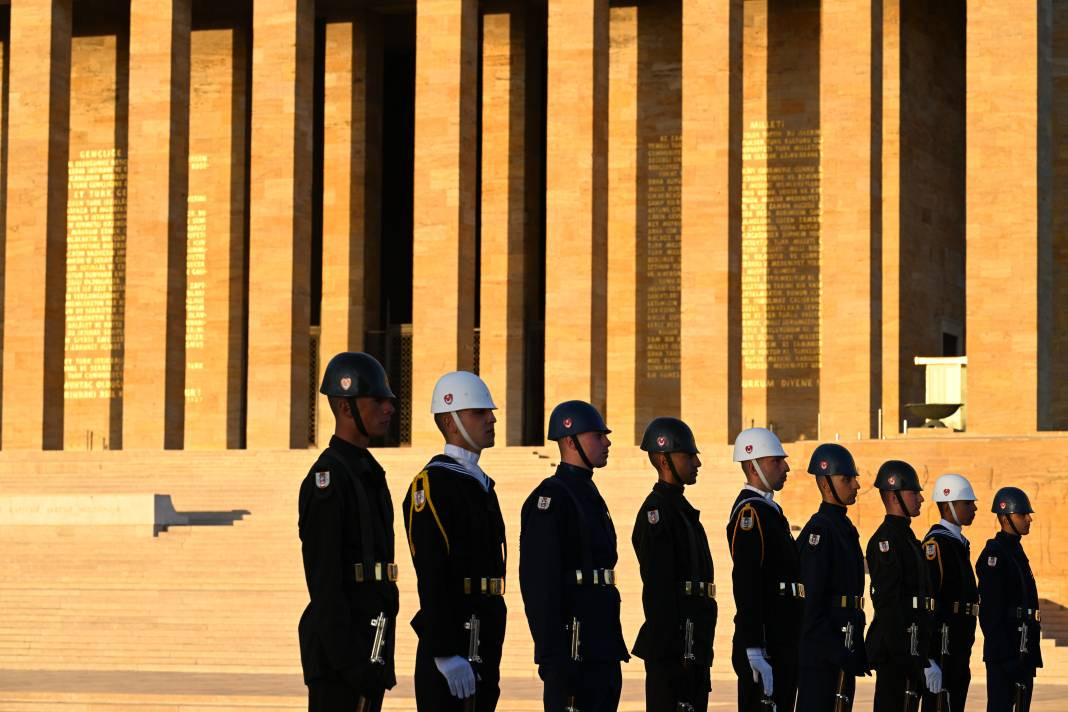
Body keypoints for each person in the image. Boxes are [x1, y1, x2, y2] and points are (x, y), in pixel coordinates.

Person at [298, 352, 399, 712]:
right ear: (345, 407)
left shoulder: (368, 472)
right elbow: (324, 582)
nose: (389, 407)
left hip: (371, 643)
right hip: (341, 659)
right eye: (377, 400)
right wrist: (352, 664)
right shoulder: (328, 480)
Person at [402, 371, 507, 711]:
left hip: (484, 633)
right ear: (450, 421)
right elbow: (432, 573)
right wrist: (444, 652)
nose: (491, 419)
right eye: (479, 412)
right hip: (455, 642)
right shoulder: (433, 486)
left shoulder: (479, 484)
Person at [519, 400, 629, 712]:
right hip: (573, 651)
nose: (607, 442)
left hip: (601, 646)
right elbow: (540, 583)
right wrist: (552, 658)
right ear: (570, 441)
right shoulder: (552, 498)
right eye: (597, 435)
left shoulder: (589, 493)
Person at [631, 417, 716, 712]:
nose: (697, 463)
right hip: (674, 648)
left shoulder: (681, 510)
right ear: (664, 459)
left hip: (694, 642)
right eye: (688, 456)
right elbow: (658, 590)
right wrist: (674, 651)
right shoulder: (657, 512)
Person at [727, 427, 802, 712]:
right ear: (752, 466)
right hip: (766, 641)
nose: (786, 467)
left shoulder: (769, 512)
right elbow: (746, 582)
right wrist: (753, 646)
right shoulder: (750, 513)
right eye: (776, 461)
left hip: (782, 639)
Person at [796, 443, 868, 712]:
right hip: (822, 653)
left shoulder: (843, 528)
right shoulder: (820, 532)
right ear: (826, 485)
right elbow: (811, 604)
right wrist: (835, 650)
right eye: (846, 479)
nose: (856, 485)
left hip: (842, 644)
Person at [865, 460, 939, 712]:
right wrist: (906, 655)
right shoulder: (886, 540)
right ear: (894, 496)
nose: (920, 498)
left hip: (912, 647)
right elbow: (888, 604)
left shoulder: (908, 539)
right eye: (914, 493)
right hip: (896, 652)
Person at [976, 487, 1042, 712]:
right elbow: (990, 612)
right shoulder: (995, 554)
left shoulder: (1015, 551)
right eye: (1022, 514)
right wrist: (1006, 657)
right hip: (1005, 653)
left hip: (1023, 649)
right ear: (1005, 517)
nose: (1028, 518)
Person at [921, 474, 979, 712]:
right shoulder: (936, 546)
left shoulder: (959, 544)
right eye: (967, 502)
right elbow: (928, 602)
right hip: (941, 650)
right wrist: (927, 659)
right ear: (948, 505)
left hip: (959, 646)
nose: (974, 507)